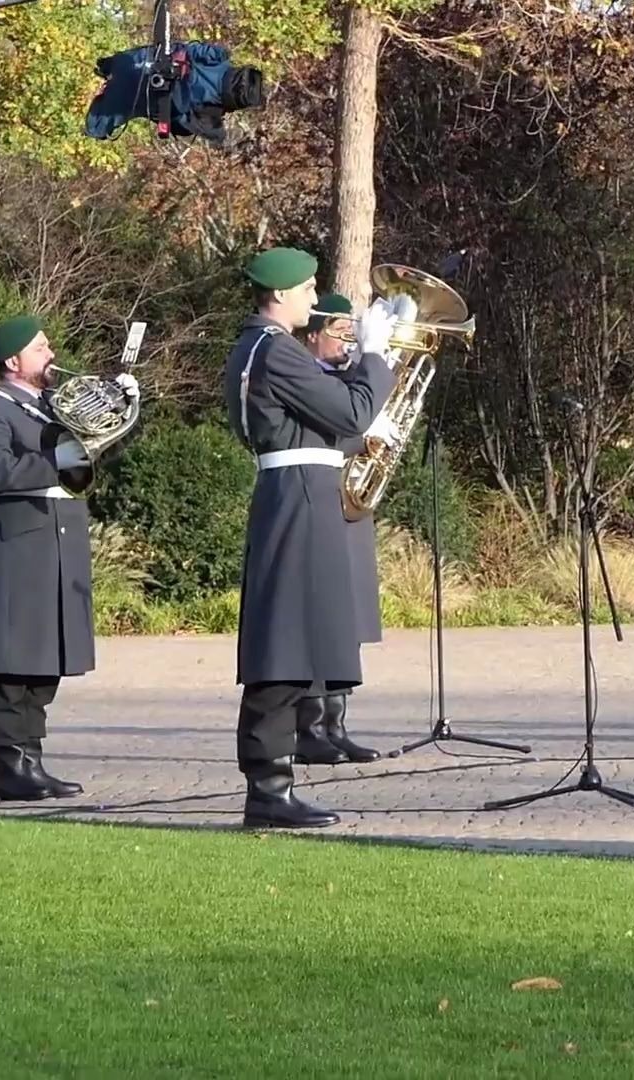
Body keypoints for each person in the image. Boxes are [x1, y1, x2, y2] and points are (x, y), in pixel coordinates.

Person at [221, 249, 397, 828]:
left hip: (298, 490)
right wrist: (372, 354)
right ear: (279, 295)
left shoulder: (264, 348)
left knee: (295, 641)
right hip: (297, 497)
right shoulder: (276, 351)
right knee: (284, 646)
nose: (315, 301)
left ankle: (275, 783)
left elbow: (323, 424)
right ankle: (268, 789)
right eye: (307, 291)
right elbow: (351, 414)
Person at [0, 314, 139, 801]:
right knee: (14, 655)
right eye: (41, 348)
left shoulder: (52, 407)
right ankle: (10, 763)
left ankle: (31, 758)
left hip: (60, 534)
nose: (52, 354)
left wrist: (121, 408)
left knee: (49, 655)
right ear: (13, 360)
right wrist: (59, 462)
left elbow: (93, 451)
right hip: (20, 538)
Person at [292, 292, 386, 765]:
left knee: (345, 621)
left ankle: (336, 724)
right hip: (319, 501)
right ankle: (308, 728)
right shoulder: (308, 377)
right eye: (339, 332)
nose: (348, 340)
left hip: (350, 508)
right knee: (318, 621)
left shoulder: (349, 379)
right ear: (312, 336)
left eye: (352, 332)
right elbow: (334, 427)